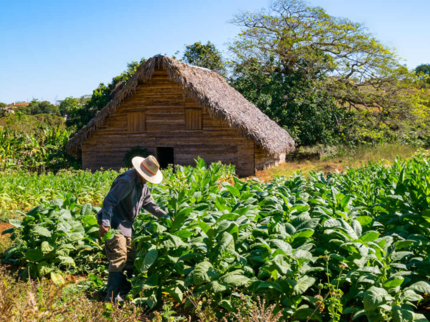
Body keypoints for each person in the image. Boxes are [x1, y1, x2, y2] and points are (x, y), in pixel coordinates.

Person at [97, 155, 168, 303]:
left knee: (130, 258)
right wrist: (105, 222)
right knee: (119, 257)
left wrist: (165, 216)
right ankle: (110, 299)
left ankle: (123, 294)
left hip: (127, 226)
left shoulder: (143, 184)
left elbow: (148, 203)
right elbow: (109, 201)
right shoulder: (127, 181)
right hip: (114, 223)